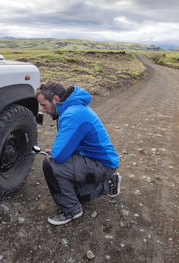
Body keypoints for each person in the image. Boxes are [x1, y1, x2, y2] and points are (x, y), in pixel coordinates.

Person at [35, 80, 121, 225]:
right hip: (101, 162)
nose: (42, 110)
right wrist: (57, 152)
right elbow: (73, 143)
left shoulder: (72, 114)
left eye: (44, 105)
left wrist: (56, 153)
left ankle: (71, 209)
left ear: (55, 99)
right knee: (73, 190)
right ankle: (109, 183)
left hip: (102, 165)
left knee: (50, 165)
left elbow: (59, 156)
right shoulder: (73, 108)